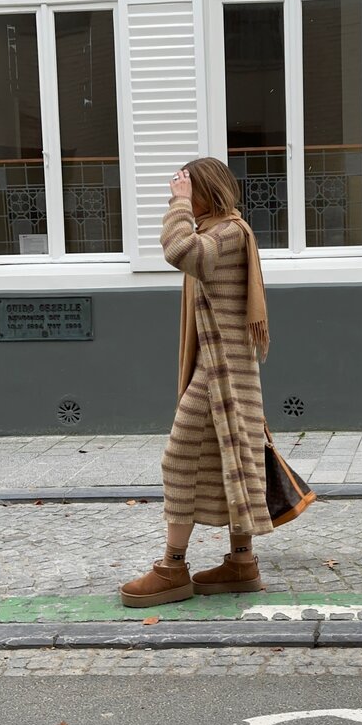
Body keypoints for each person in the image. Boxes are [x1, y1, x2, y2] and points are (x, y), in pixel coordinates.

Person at [120, 157, 274, 608]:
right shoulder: (225, 230)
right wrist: (186, 205)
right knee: (229, 459)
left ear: (208, 191)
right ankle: (241, 562)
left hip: (220, 371)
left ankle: (172, 566)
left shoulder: (225, 232)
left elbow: (180, 253)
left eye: (190, 187)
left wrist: (178, 205)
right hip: (222, 366)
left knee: (179, 460)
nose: (181, 192)